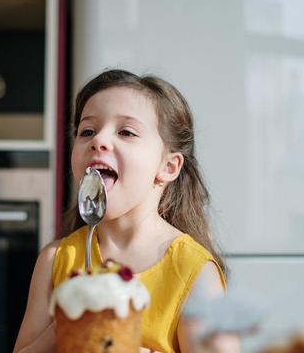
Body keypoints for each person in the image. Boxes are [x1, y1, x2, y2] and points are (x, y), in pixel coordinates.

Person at [13, 69, 228, 353]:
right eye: (87, 131)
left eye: (126, 132)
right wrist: (69, 325)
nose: (98, 140)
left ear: (168, 167)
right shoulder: (55, 261)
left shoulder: (194, 271)